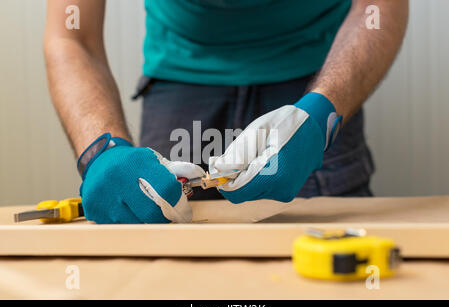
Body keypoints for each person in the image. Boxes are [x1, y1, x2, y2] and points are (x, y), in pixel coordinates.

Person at [44, 0, 408, 223]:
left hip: (318, 75)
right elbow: (71, 36)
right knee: (152, 239)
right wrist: (103, 153)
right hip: (180, 77)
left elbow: (379, 7)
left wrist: (321, 114)